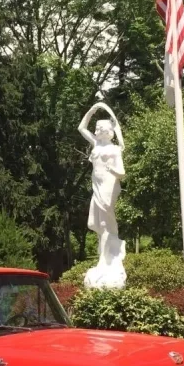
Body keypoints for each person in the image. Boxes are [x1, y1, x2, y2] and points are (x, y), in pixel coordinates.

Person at [78, 102, 127, 288]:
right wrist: (92, 110)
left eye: (100, 128)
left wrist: (111, 168)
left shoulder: (114, 150)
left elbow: (121, 172)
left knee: (105, 224)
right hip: (97, 187)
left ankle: (104, 261)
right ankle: (107, 254)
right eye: (96, 128)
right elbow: (81, 127)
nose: (96, 130)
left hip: (109, 186)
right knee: (94, 224)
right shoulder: (96, 144)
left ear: (108, 131)